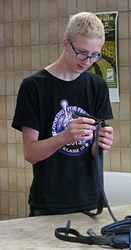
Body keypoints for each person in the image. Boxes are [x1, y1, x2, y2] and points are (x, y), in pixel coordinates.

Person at [11, 12, 114, 216]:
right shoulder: (34, 87)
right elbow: (30, 154)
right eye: (82, 52)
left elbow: (94, 154)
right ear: (66, 44)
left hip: (90, 200)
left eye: (95, 55)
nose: (87, 61)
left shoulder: (98, 86)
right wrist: (64, 137)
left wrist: (102, 144)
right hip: (49, 203)